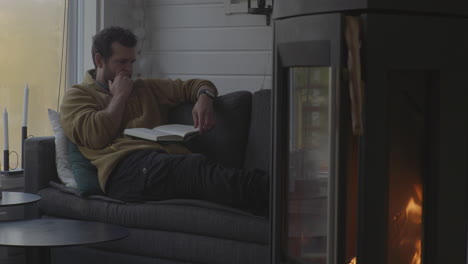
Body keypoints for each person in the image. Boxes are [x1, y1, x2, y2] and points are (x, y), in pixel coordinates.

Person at [60, 26, 268, 215]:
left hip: (162, 161)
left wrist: (205, 97)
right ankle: (278, 193)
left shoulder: (145, 88)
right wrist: (120, 96)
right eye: (121, 62)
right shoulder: (78, 96)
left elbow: (195, 85)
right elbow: (96, 136)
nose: (129, 70)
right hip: (124, 171)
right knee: (197, 169)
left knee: (204, 169)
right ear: (99, 60)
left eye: (131, 62)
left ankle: (272, 194)